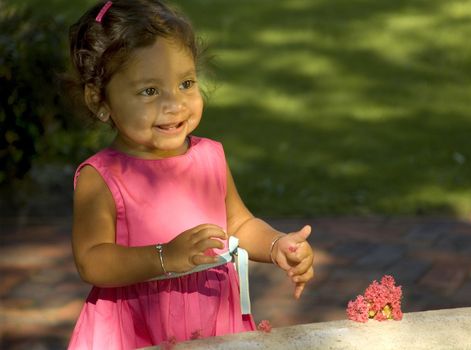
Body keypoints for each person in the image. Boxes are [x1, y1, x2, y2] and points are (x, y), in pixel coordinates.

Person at [66, 0, 314, 348]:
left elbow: (239, 225)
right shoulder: (102, 177)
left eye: (185, 83)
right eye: (150, 91)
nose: (174, 103)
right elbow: (92, 260)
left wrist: (276, 245)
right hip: (137, 331)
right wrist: (165, 257)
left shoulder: (209, 156)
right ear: (99, 101)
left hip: (214, 320)